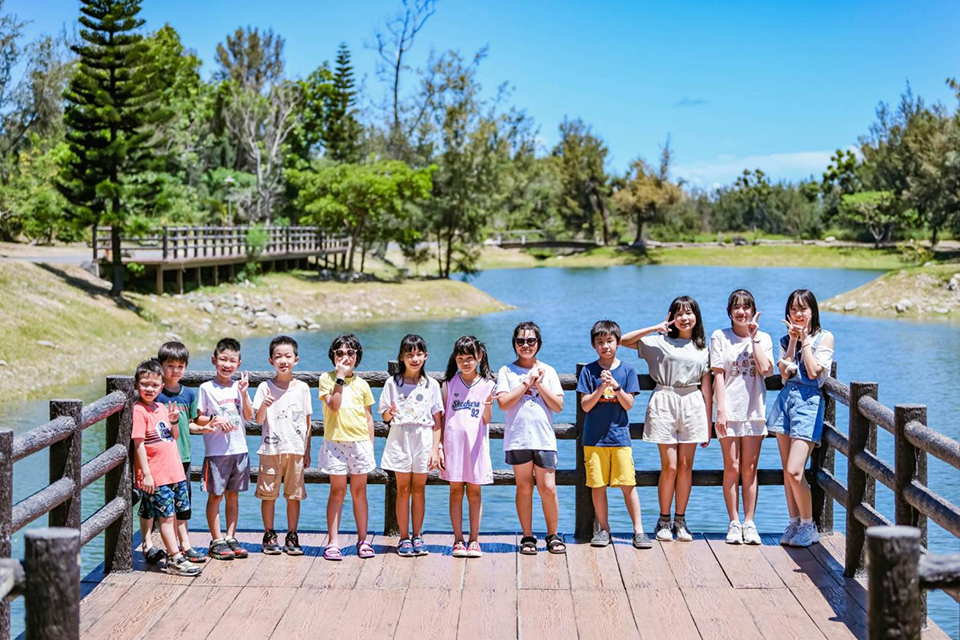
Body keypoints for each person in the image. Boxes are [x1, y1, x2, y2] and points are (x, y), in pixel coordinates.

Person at [622, 296, 712, 542]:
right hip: (665, 398)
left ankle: (680, 520)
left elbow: (707, 387)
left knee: (686, 466)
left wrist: (709, 423)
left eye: (689, 313)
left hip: (693, 401)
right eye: (679, 313)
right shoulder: (659, 343)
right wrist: (655, 327)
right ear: (672, 316)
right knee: (670, 465)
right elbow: (623, 340)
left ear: (696, 317)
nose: (684, 318)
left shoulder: (703, 347)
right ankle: (663, 520)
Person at [768, 289, 834, 548]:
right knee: (787, 471)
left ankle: (809, 525)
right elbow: (783, 374)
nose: (798, 314)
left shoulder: (825, 337)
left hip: (808, 403)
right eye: (794, 309)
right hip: (786, 401)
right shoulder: (786, 339)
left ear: (812, 311)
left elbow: (815, 371)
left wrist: (805, 340)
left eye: (803, 309)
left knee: (796, 470)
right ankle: (794, 520)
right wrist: (793, 341)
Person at [577, 320, 651, 550]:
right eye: (600, 342)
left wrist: (617, 387)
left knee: (628, 483)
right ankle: (604, 529)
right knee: (597, 485)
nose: (605, 346)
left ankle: (638, 529)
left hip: (620, 437)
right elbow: (585, 406)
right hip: (593, 439)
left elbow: (629, 405)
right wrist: (600, 387)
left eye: (609, 341)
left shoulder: (627, 370)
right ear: (593, 345)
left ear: (618, 343)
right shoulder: (589, 371)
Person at [709, 290, 774, 545]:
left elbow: (766, 369)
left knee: (749, 469)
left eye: (747, 307)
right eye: (737, 307)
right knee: (732, 467)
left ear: (753, 310)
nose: (742, 312)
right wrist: (721, 410)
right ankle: (733, 522)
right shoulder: (720, 336)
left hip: (754, 411)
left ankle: (749, 522)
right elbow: (718, 374)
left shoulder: (764, 338)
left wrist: (754, 337)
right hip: (729, 410)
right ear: (729, 312)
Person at [496, 321, 566, 555]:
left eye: (531, 341)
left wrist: (539, 384)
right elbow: (503, 403)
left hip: (544, 438)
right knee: (524, 487)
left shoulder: (549, 370)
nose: (526, 345)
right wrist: (526, 383)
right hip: (518, 437)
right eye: (521, 341)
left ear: (538, 343)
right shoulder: (506, 371)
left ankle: (552, 534)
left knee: (548, 488)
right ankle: (527, 536)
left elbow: (558, 405)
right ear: (514, 344)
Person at [131, 359, 201, 576]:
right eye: (144, 384)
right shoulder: (139, 410)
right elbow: (139, 444)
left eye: (154, 385)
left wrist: (172, 422)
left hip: (175, 470)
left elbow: (174, 437)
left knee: (156, 509)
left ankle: (148, 546)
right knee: (167, 517)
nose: (149, 389)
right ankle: (175, 558)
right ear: (136, 385)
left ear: (161, 387)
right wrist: (147, 474)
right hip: (157, 474)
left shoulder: (161, 407)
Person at [380, 334, 443, 557]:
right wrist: (391, 412)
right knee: (402, 489)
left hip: (423, 439)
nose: (414, 358)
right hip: (399, 438)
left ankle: (418, 535)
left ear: (425, 356)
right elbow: (385, 417)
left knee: (419, 489)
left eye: (418, 354)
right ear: (402, 357)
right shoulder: (392, 383)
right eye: (409, 354)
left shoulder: (431, 384)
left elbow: (437, 420)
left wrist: (436, 449)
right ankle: (403, 537)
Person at [317, 334, 376, 561]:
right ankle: (333, 542)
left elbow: (369, 418)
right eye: (339, 353)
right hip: (335, 442)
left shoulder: (362, 384)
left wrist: (370, 445)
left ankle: (363, 540)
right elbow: (333, 406)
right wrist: (339, 378)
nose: (345, 357)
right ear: (333, 356)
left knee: (359, 492)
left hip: (360, 443)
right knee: (337, 491)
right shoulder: (326, 378)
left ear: (357, 357)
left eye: (350, 353)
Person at [253, 335, 313, 556]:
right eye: (278, 356)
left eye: (288, 356)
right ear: (271, 360)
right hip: (271, 449)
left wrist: (307, 450)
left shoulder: (303, 388)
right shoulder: (264, 387)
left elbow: (308, 423)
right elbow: (257, 420)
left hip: (295, 449)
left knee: (293, 495)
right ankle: (269, 533)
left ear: (296, 359)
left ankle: (292, 534)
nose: (283, 360)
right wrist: (264, 405)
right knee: (268, 494)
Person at [195, 338, 253, 561]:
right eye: (223, 360)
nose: (227, 365)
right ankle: (216, 539)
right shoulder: (206, 388)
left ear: (239, 363)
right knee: (216, 496)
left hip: (240, 449)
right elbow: (198, 418)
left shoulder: (240, 387)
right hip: (216, 452)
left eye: (232, 361)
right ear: (214, 360)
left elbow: (249, 416)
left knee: (233, 496)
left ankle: (231, 536)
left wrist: (245, 393)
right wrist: (214, 418)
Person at [438, 336, 496, 558]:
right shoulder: (448, 384)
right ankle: (457, 539)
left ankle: (474, 539)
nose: (465, 362)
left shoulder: (488, 385)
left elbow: (487, 419)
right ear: (455, 359)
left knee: (474, 491)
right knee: (454, 491)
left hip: (476, 447)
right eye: (460, 358)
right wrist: (440, 446)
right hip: (453, 446)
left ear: (479, 357)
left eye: (470, 358)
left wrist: (489, 405)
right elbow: (443, 417)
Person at [151, 341, 205, 564]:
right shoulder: (155, 393)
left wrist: (205, 427)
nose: (175, 370)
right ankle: (171, 546)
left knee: (184, 503)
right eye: (170, 366)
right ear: (161, 365)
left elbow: (191, 423)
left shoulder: (189, 394)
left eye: (180, 366)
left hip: (183, 455)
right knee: (165, 504)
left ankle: (185, 544)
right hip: (162, 458)